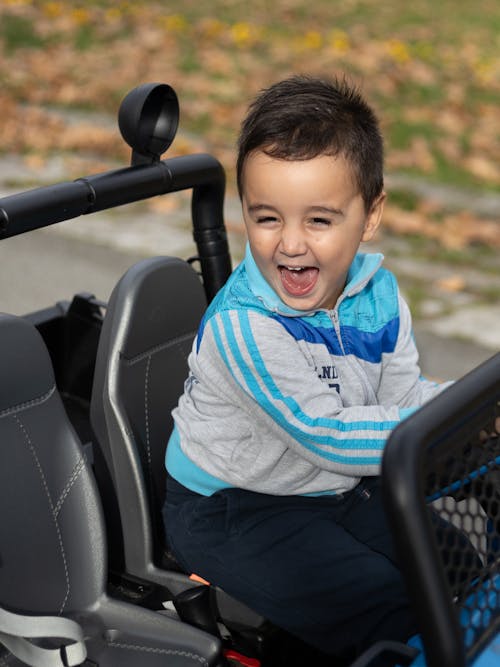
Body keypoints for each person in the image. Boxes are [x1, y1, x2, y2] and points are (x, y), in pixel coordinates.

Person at [162, 74, 451, 661]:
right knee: (387, 607)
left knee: (453, 566)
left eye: (318, 220)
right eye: (266, 218)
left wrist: (463, 410)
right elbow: (329, 437)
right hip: (231, 505)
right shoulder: (245, 327)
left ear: (369, 215)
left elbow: (401, 400)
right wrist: (443, 426)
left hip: (329, 487)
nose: (289, 244)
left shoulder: (380, 296)